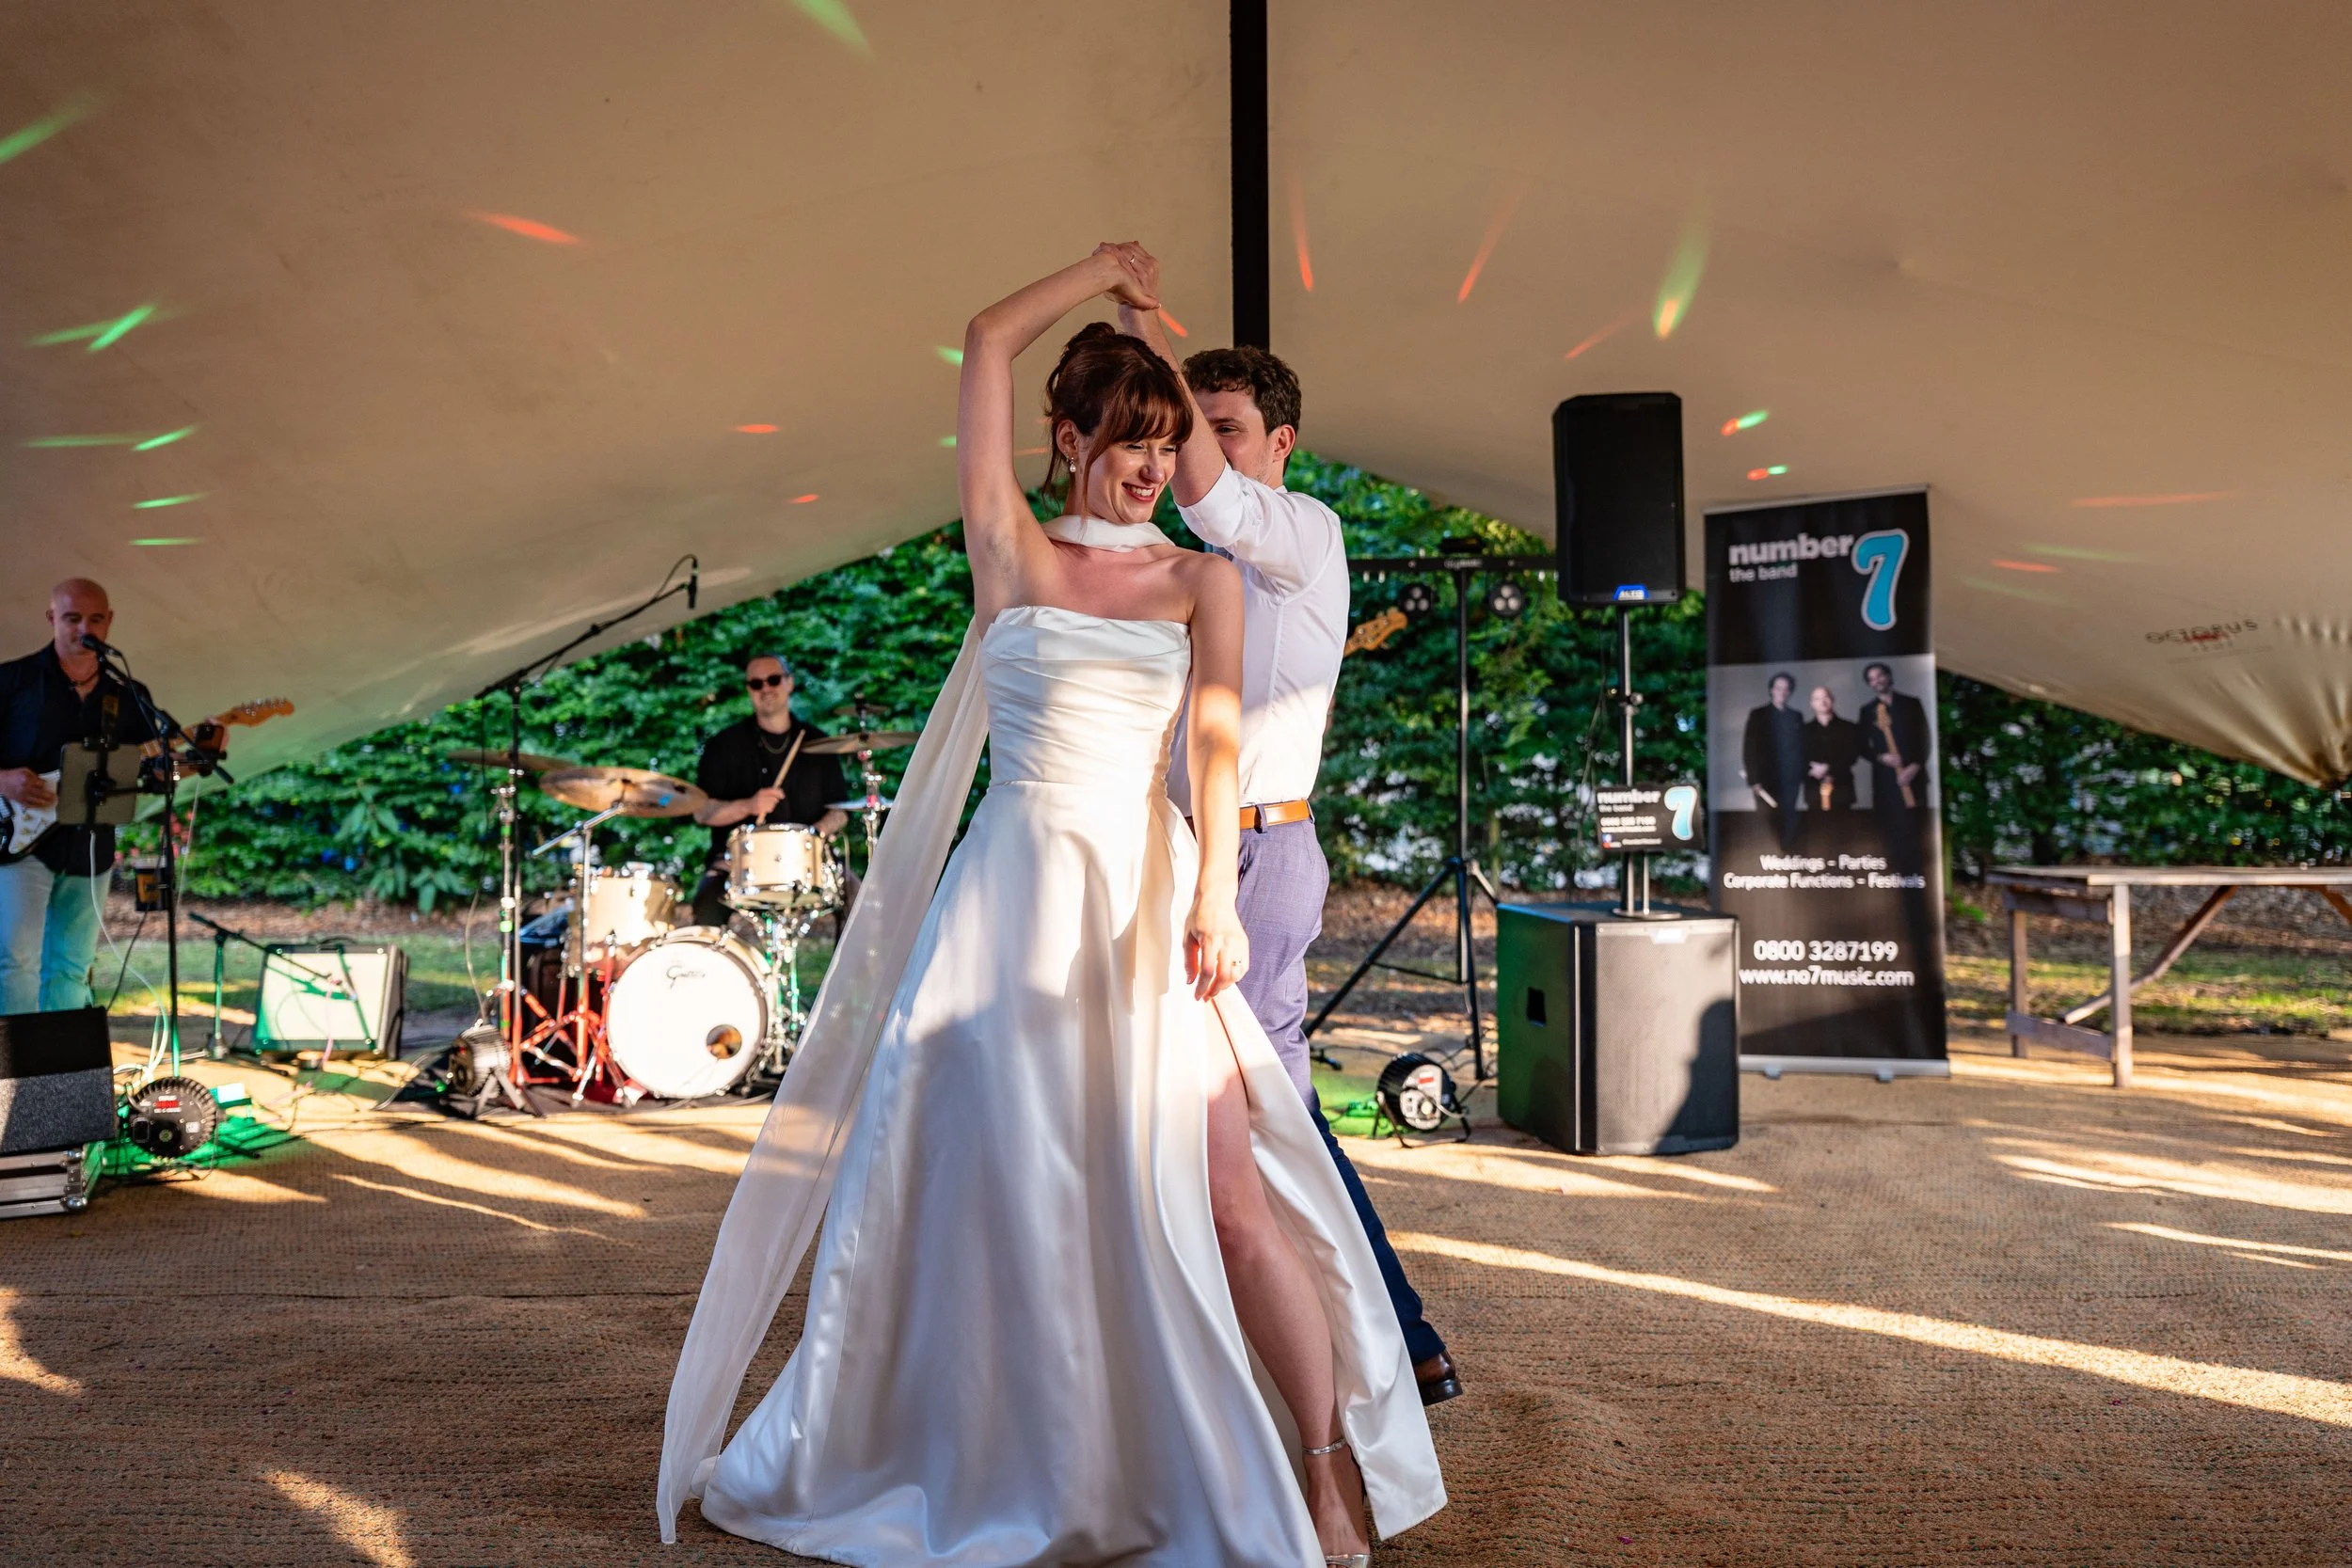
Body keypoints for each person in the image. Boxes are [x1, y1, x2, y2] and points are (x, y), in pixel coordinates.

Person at [660, 246, 1443, 1566]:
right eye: (1127, 441)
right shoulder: (1007, 550)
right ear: (1064, 438)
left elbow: (1209, 746)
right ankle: (1020, 1452)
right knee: (993, 1185)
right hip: (1006, 901)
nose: (1153, 466)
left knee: (1229, 1186)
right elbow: (980, 338)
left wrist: (1211, 900)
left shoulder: (1204, 578)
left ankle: (1320, 1467)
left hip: (1145, 893)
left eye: (1168, 442)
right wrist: (1092, 271)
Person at [1114, 280, 1461, 1407]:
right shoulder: (1175, 562)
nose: (1192, 452)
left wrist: (1139, 343)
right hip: (1176, 855)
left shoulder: (1301, 532)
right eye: (1189, 428)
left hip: (1257, 859)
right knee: (1203, 1106)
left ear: (1280, 443)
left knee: (1271, 1107)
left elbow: (1212, 503)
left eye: (1221, 430)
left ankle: (1397, 1339)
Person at [0, 579, 161, 1015]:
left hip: (90, 846)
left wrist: (188, 758)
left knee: (72, 965)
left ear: (109, 622)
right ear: (52, 619)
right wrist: (2, 780)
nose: (83, 628)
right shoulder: (13, 680)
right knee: (16, 962)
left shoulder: (128, 694)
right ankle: (14, 1075)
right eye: (72, 618)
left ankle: (62, 1072)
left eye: (95, 619)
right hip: (19, 843)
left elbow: (152, 766)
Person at [686, 653, 849, 930]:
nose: (766, 689)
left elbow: (841, 812)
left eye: (773, 680)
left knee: (858, 900)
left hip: (810, 865)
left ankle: (848, 974)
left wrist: (810, 839)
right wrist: (749, 805)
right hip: (736, 868)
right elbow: (702, 813)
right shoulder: (723, 746)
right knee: (706, 905)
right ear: (749, 689)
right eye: (756, 683)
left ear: (789, 683)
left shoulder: (819, 743)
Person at [1740, 671, 1806, 849]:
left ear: (1790, 692)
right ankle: (1767, 856)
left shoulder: (1796, 716)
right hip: (1765, 779)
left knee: (1788, 816)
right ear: (1771, 690)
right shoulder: (1758, 714)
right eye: (1778, 688)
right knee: (1767, 818)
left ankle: (1787, 854)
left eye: (1786, 689)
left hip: (1791, 779)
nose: (1782, 692)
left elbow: (1802, 748)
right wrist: (1754, 780)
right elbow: (1749, 749)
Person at [1858, 661, 1931, 815]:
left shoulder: (1912, 704)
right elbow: (1861, 746)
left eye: (1880, 676)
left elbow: (1925, 739)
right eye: (1871, 679)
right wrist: (1881, 757)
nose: (1876, 681)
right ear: (1869, 684)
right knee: (1889, 827)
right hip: (1885, 781)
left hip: (1914, 776)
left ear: (1888, 676)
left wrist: (1915, 766)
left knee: (1918, 824)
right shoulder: (1866, 711)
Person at [1802, 685, 1862, 812]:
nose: (1822, 702)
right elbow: (1798, 757)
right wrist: (1810, 769)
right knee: (1816, 830)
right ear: (1812, 703)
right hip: (1813, 788)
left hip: (1842, 788)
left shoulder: (1849, 727)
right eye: (1817, 699)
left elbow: (1852, 755)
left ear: (1833, 700)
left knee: (1842, 829)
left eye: (1826, 697)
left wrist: (1829, 768)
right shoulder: (1803, 730)